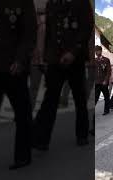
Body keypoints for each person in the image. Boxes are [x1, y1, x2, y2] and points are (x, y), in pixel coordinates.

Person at [32, 0, 92, 151]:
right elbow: (50, 33)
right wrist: (46, 57)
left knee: (79, 98)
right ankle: (41, 139)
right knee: (50, 99)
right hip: (55, 59)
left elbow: (86, 28)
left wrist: (73, 52)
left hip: (75, 59)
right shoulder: (52, 3)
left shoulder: (81, 2)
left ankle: (82, 134)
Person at [0, 0, 37, 169]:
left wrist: (20, 59)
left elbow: (29, 33)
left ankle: (23, 156)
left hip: (13, 67)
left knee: (23, 114)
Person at [30, 10, 47, 111]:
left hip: (39, 61)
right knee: (34, 87)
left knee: (33, 87)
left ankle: (30, 109)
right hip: (39, 61)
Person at [95, 45, 111, 115]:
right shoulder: (94, 60)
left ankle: (106, 110)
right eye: (95, 51)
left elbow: (108, 71)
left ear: (100, 51)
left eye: (97, 51)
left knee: (106, 97)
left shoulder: (106, 60)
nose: (96, 52)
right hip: (96, 82)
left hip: (104, 82)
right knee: (95, 97)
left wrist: (106, 80)